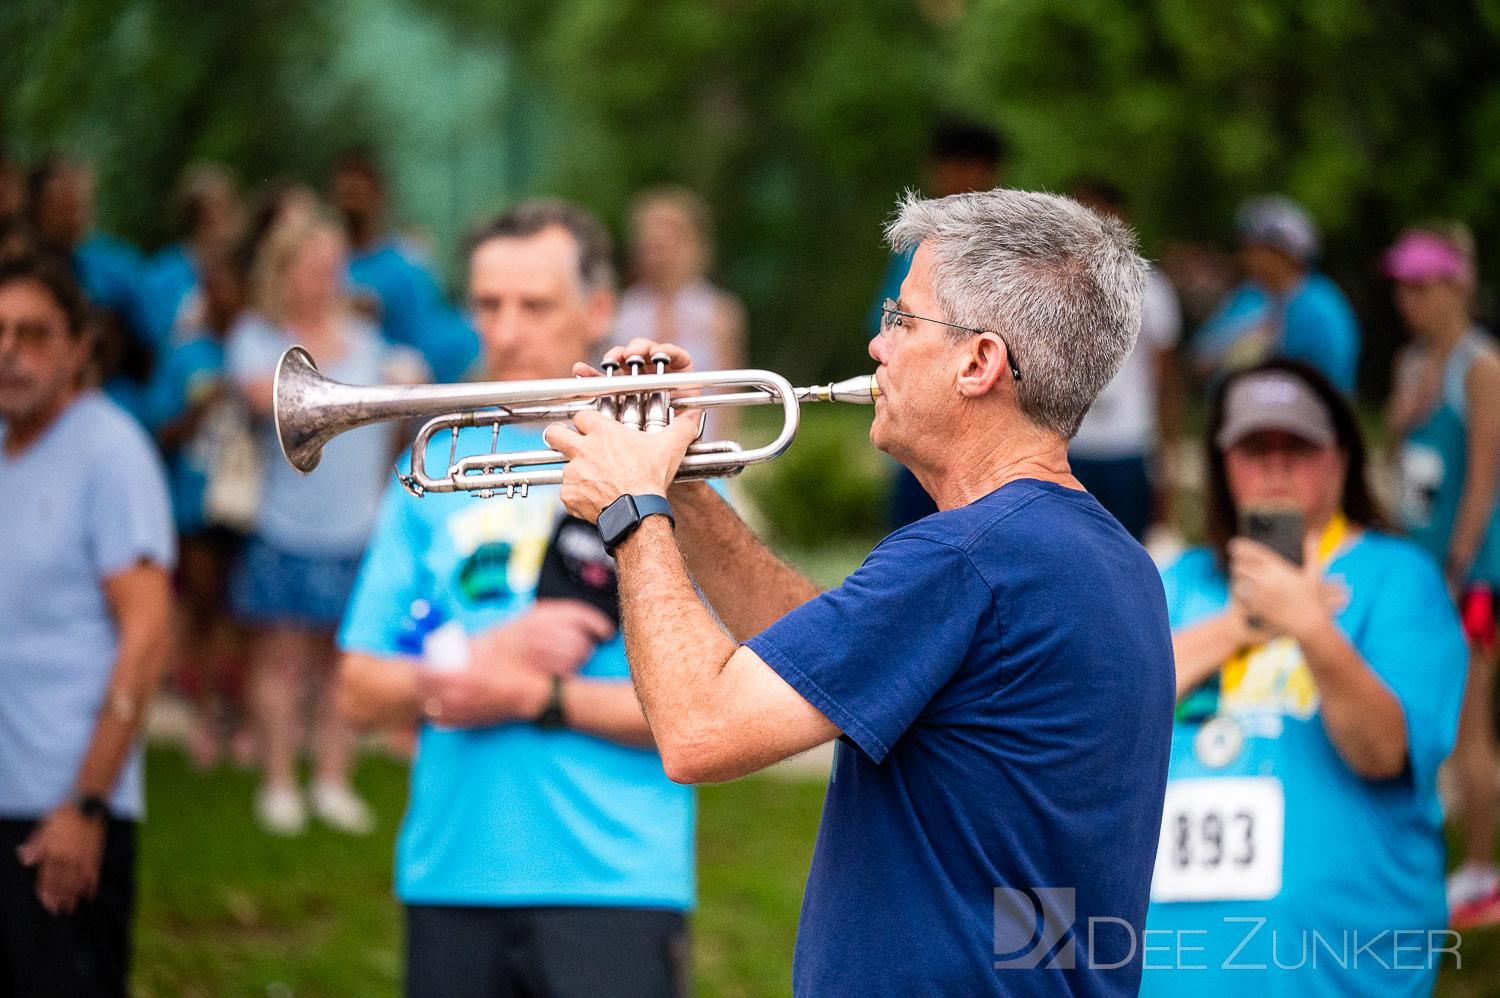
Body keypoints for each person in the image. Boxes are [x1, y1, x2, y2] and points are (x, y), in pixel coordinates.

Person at [548, 189, 1175, 996]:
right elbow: (826, 660)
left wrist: (634, 509)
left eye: (903, 319)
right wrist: (688, 489)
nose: (878, 344)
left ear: (978, 362)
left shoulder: (968, 558)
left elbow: (699, 731)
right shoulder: (1104, 560)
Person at [337, 199, 695, 998]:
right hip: (449, 872)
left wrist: (540, 696)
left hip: (617, 882)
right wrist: (478, 660)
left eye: (534, 305)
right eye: (488, 305)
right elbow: (358, 689)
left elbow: (714, 703)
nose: (504, 331)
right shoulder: (433, 464)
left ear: (598, 310)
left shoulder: (665, 463)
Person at [1139, 359, 1467, 997]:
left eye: (1300, 447)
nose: (1276, 466)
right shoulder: (1177, 581)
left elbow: (1381, 751)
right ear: (1221, 464)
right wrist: (1242, 626)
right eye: (1253, 448)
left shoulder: (1397, 577)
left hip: (1337, 970)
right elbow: (1105, 722)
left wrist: (1314, 630)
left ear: (1341, 459)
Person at [0, 252, 174, 996]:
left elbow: (148, 636)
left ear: (80, 347)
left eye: (34, 333)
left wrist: (89, 803)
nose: (10, 351)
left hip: (60, 814)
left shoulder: (110, 449)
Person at [227, 210, 405, 836]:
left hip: (356, 521)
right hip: (284, 521)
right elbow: (262, 398)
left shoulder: (366, 336)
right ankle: (278, 782)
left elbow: (388, 420)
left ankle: (333, 781)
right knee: (280, 661)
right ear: (285, 271)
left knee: (343, 660)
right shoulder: (257, 333)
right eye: (315, 268)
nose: (329, 279)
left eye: (334, 268)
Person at [1382, 225, 1500, 926]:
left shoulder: (1482, 367)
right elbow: (1399, 460)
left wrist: (1455, 571)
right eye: (1400, 286)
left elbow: (1484, 479)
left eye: (1421, 285)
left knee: (1467, 726)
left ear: (1455, 286)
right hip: (1418, 565)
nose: (1406, 300)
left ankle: (1483, 870)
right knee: (1422, 715)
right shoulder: (1410, 362)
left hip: (1471, 577)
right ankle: (1431, 851)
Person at [869, 119, 1009, 527]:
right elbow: (885, 336)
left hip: (988, 439)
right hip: (923, 438)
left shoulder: (1008, 247)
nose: (961, 179)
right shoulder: (915, 246)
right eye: (952, 165)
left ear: (992, 173)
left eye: (973, 166)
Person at [145, 247, 253, 770]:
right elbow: (160, 431)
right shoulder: (186, 356)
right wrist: (200, 408)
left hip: (250, 501)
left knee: (243, 610)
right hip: (196, 502)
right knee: (204, 605)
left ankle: (238, 713)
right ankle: (205, 713)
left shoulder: (258, 351)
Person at [1069, 179, 1184, 542]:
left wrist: (1166, 464)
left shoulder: (1152, 288)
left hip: (1127, 445)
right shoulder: (1047, 286)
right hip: (1068, 445)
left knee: (1126, 550)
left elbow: (1165, 381)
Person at [330, 149, 478, 383]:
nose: (353, 204)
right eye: (347, 193)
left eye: (359, 194)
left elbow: (428, 322)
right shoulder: (328, 260)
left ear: (378, 196)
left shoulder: (404, 260)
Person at [1191, 195, 1361, 396]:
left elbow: (1331, 379)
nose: (1247, 256)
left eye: (1257, 248)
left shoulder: (1322, 307)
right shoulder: (1250, 296)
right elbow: (1200, 356)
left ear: (1286, 253)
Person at [26, 157, 153, 420]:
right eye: (62, 201)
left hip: (112, 398)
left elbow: (146, 349)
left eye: (79, 200)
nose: (73, 210)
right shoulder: (18, 268)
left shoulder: (117, 266)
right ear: (37, 205)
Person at [611, 186, 746, 434]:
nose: (658, 258)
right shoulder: (622, 312)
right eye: (650, 246)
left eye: (666, 246)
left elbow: (729, 399)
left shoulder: (719, 313)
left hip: (704, 444)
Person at [138, 163, 246, 346]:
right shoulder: (164, 272)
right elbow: (152, 338)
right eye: (214, 214)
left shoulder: (238, 270)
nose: (225, 223)